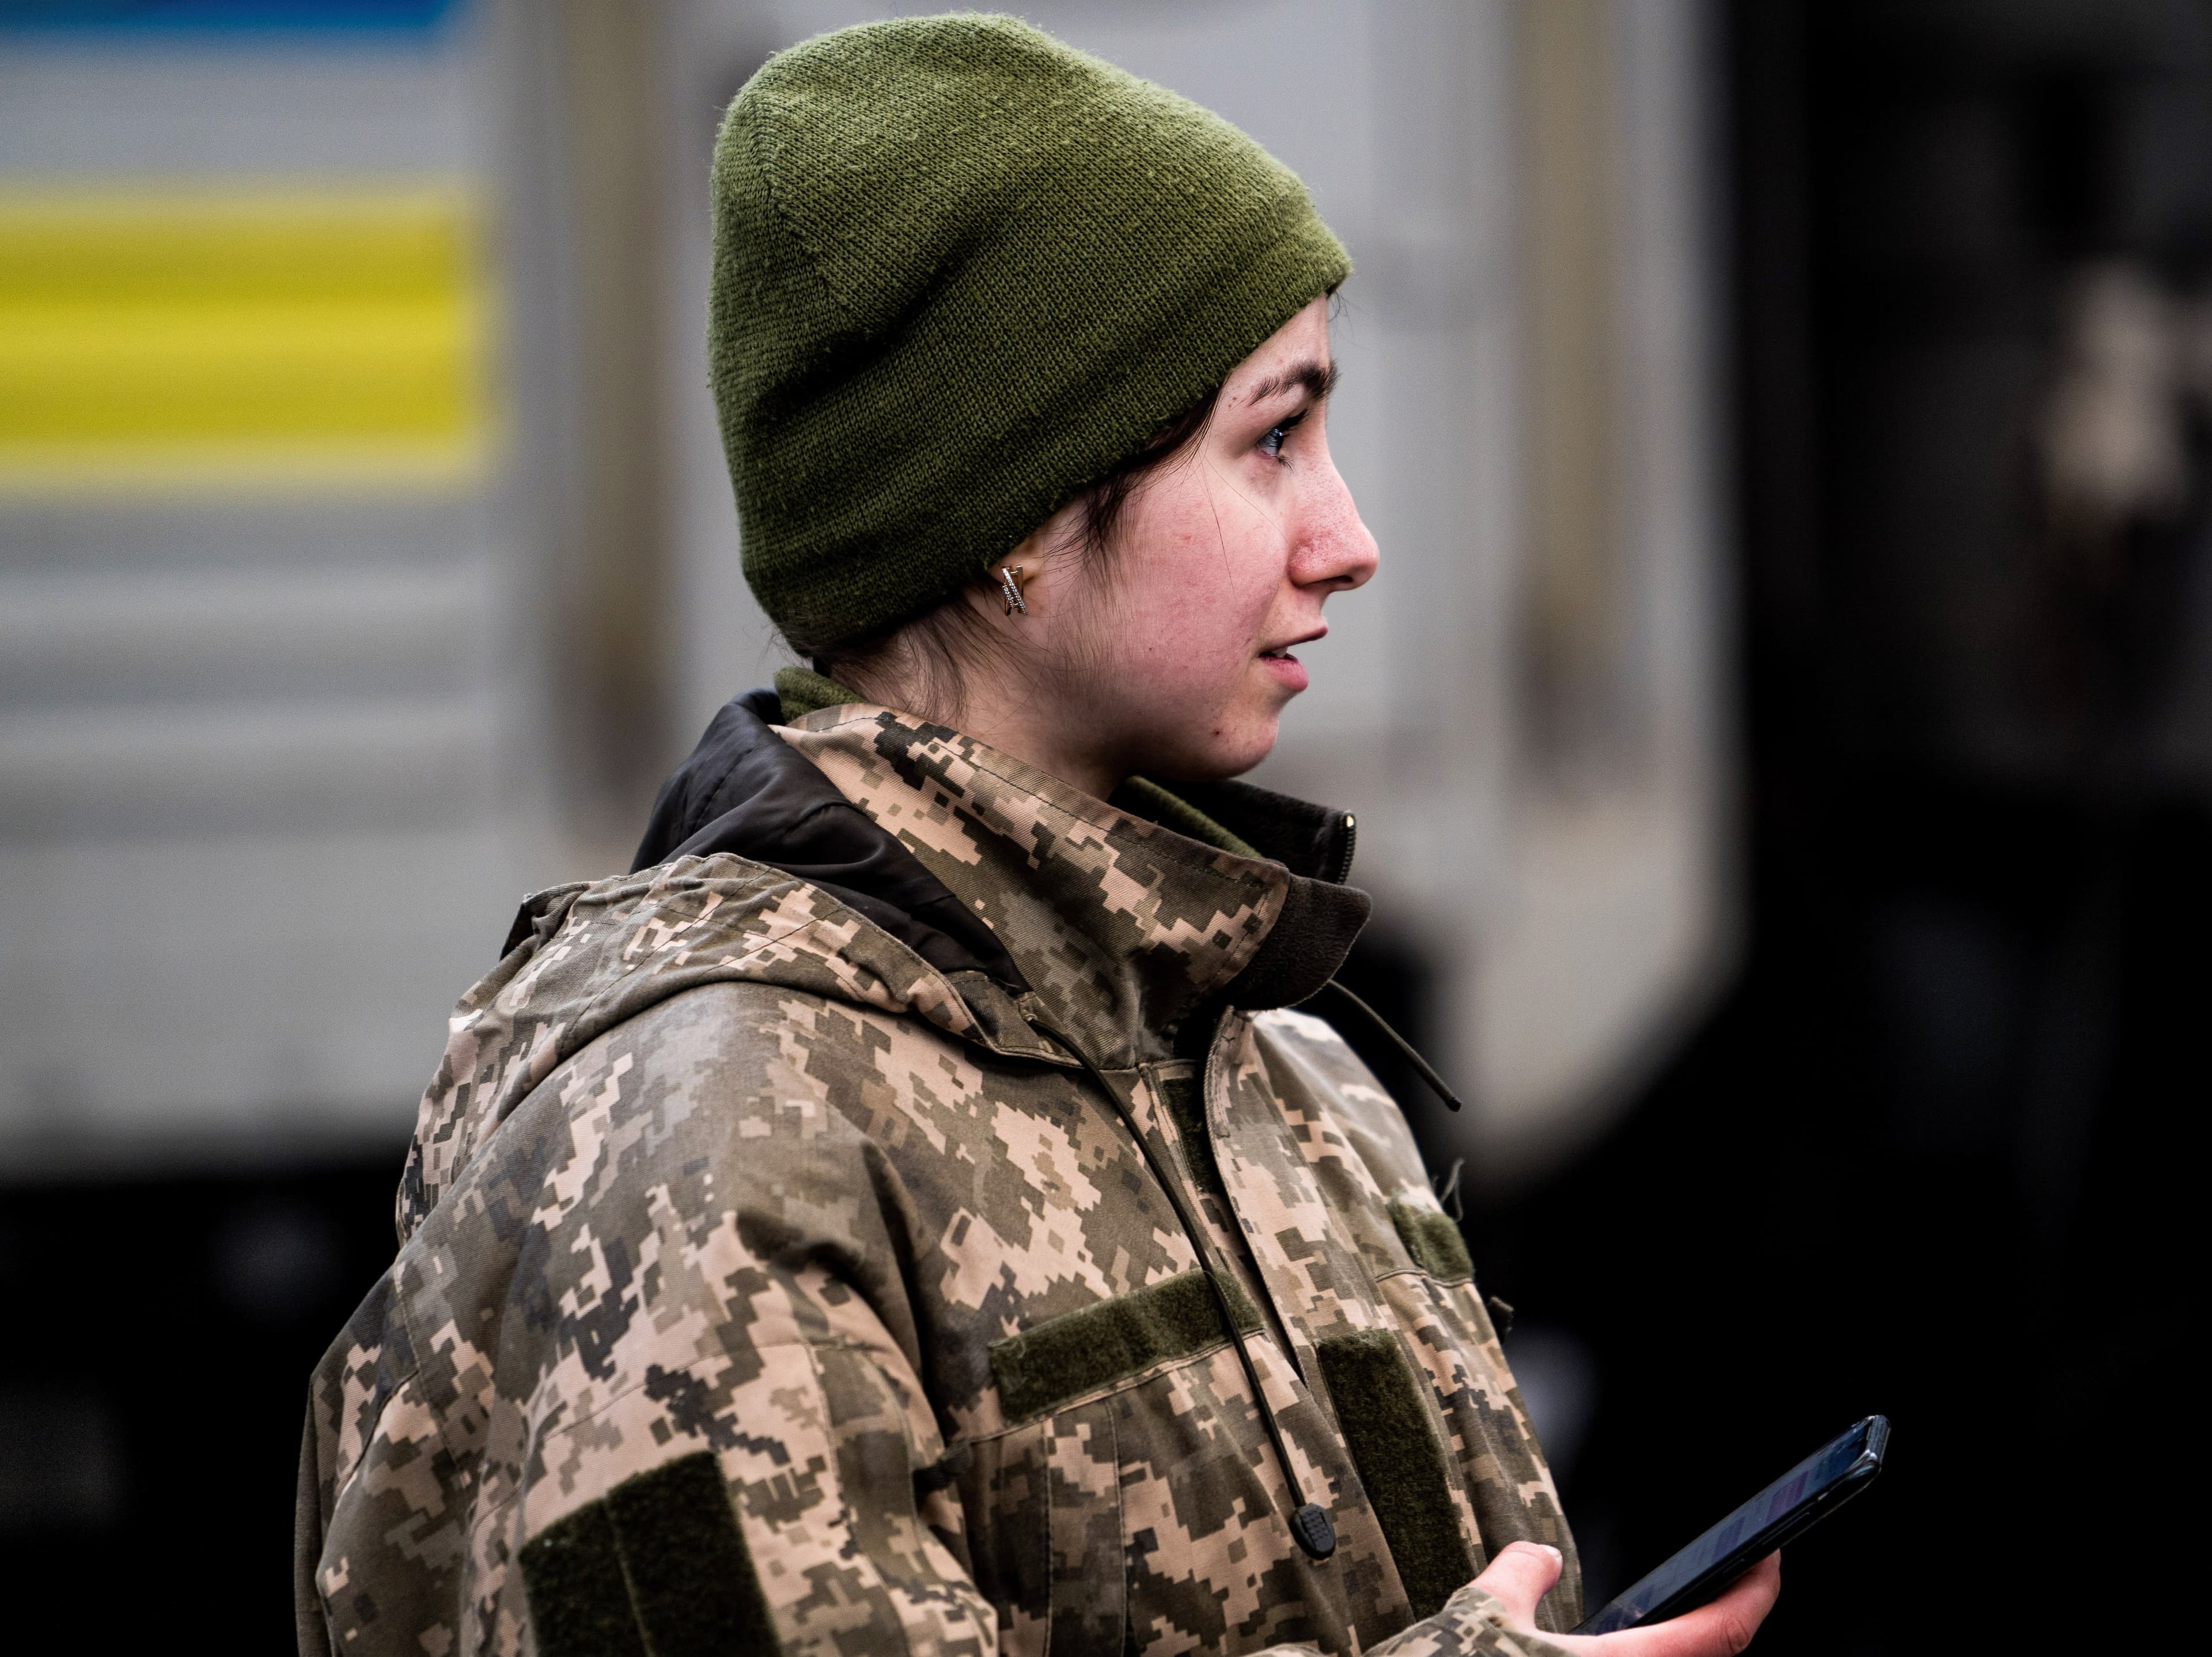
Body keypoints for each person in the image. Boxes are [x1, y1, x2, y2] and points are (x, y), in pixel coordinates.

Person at [296, 16, 1778, 1656]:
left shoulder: (1278, 1075)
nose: (1350, 539)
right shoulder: (705, 1147)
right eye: (1273, 437)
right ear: (1015, 519)